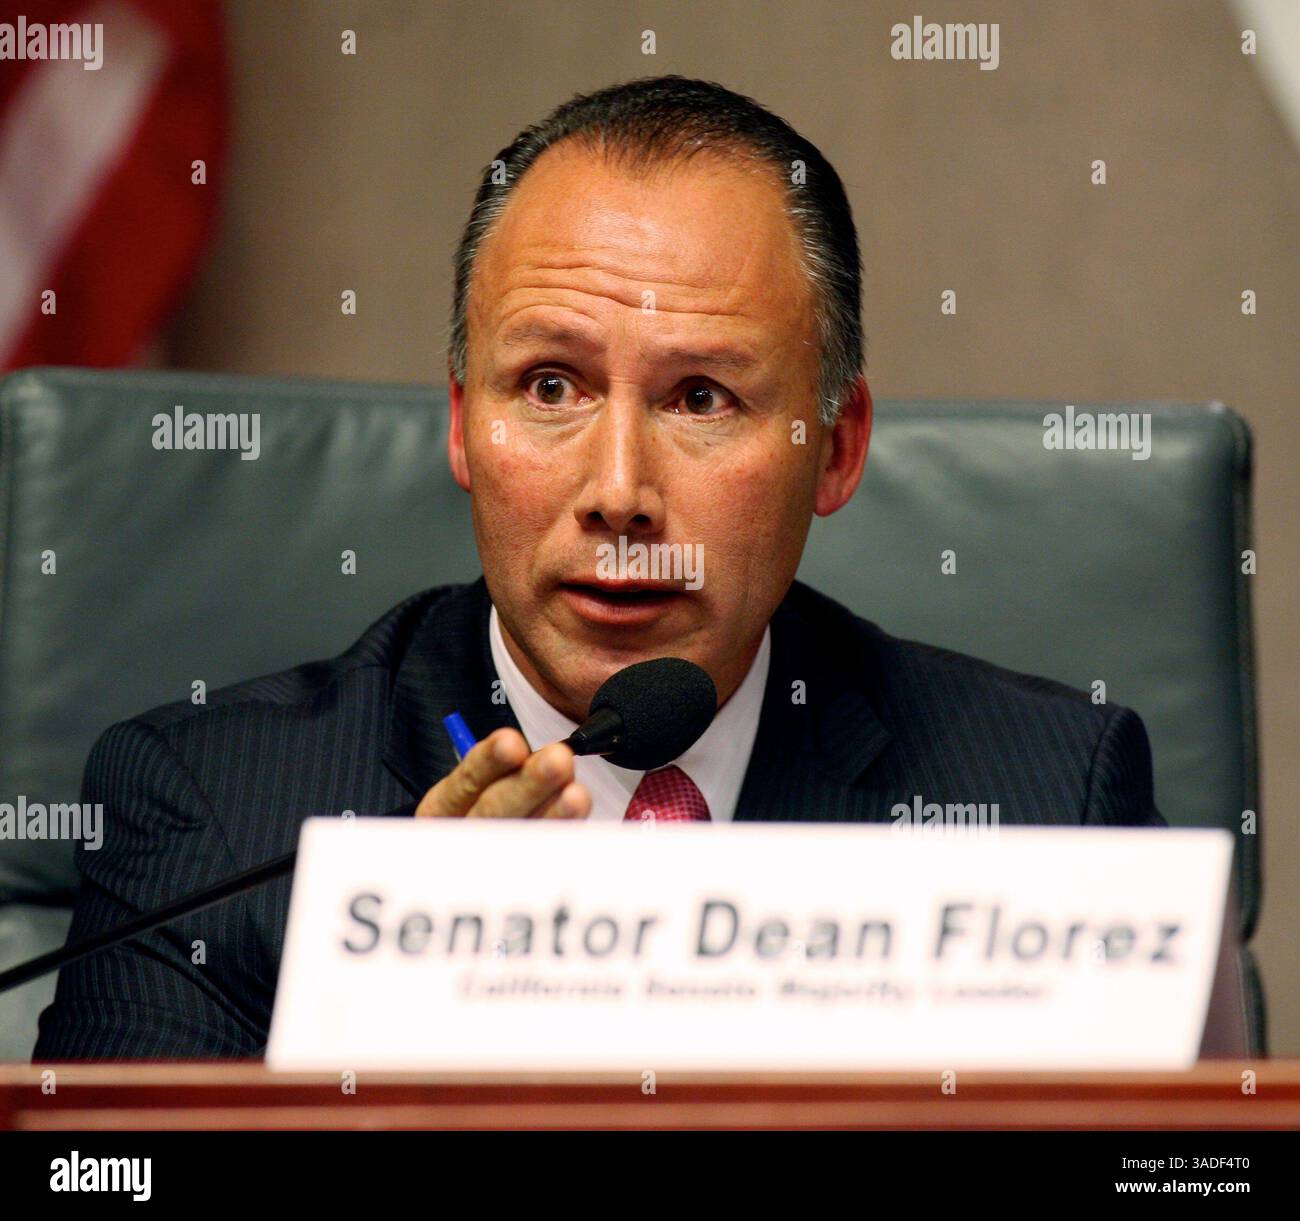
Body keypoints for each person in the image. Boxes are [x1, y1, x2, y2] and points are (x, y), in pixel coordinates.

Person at [34, 75, 1162, 1060]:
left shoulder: (1043, 806)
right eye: (550, 387)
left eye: (701, 398)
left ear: (838, 447)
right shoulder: (216, 824)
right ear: (463, 426)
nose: (618, 490)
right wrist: (384, 1032)